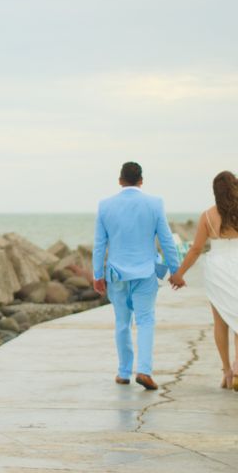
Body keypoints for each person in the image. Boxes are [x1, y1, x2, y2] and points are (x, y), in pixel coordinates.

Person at [93, 162, 180, 390]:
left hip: (116, 274)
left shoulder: (105, 206)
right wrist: (176, 270)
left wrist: (97, 275)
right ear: (141, 180)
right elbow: (167, 240)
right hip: (145, 274)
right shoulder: (154, 204)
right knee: (145, 321)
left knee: (122, 323)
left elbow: (99, 245)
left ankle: (123, 372)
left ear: (120, 180)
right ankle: (144, 371)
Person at [169, 171, 238, 390]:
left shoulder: (207, 216)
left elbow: (196, 249)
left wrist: (179, 274)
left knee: (221, 322)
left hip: (217, 267)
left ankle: (227, 372)